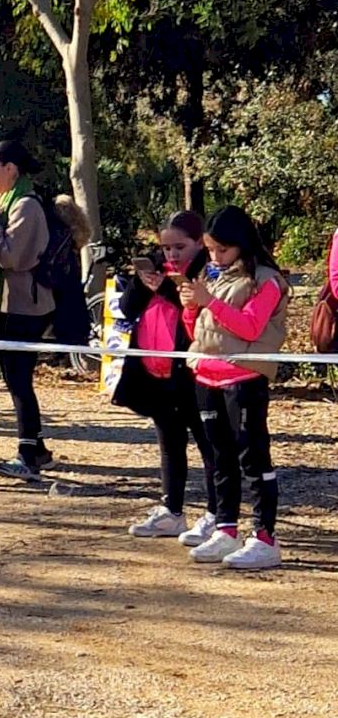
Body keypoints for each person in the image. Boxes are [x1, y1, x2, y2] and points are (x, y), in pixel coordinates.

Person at [181, 204, 288, 573]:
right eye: (210, 250)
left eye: (222, 250)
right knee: (219, 457)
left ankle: (265, 537)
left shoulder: (265, 280)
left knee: (253, 457)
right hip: (206, 376)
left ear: (241, 243)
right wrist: (190, 308)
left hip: (244, 379)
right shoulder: (212, 276)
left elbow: (250, 327)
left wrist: (209, 302)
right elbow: (198, 331)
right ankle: (225, 528)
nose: (215, 257)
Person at [112, 211, 218, 541]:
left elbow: (206, 315)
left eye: (179, 247)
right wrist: (142, 284)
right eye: (166, 247)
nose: (171, 254)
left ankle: (218, 516)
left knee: (209, 445)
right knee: (170, 443)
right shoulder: (156, 265)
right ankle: (171, 510)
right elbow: (126, 309)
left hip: (193, 372)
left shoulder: (208, 269)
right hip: (153, 370)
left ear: (199, 242)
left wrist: (171, 289)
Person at [0, 140, 55, 482]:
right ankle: (38, 449)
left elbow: (10, 257)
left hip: (27, 307)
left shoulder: (25, 206)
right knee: (16, 379)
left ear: (10, 169)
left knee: (19, 380)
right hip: (15, 305)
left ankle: (26, 455)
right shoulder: (10, 202)